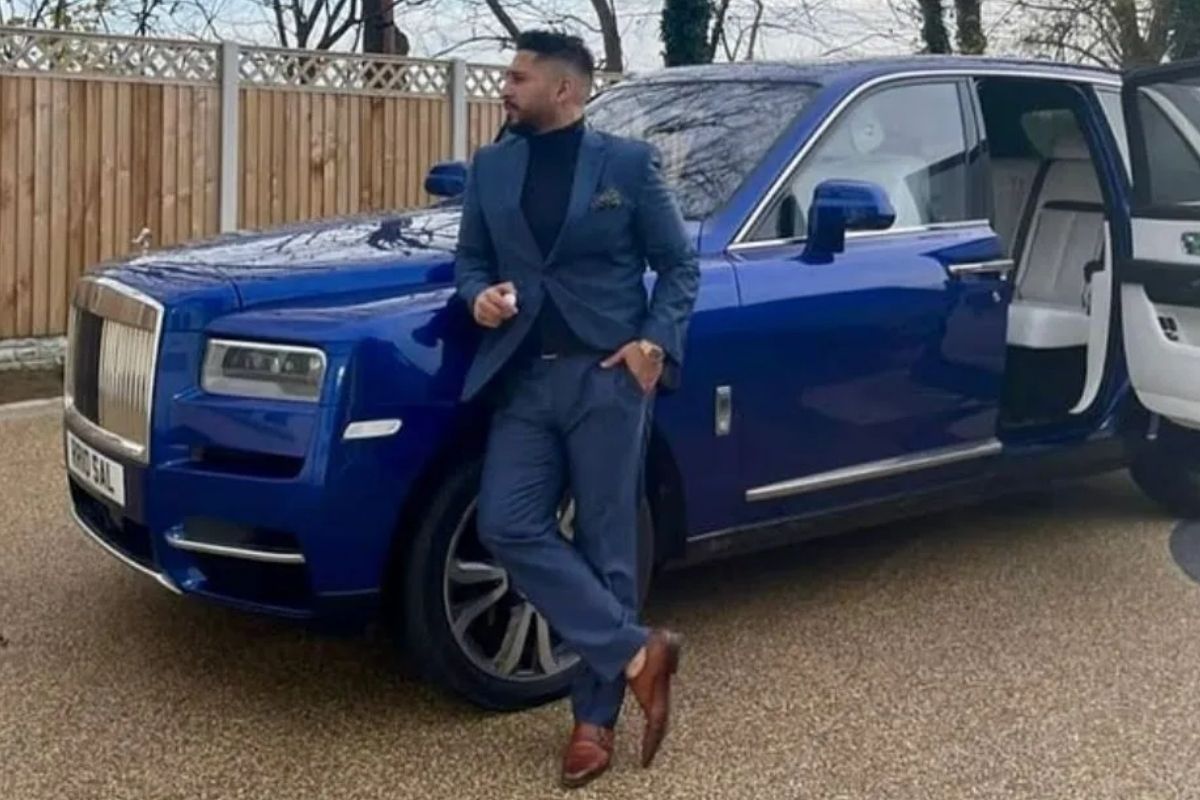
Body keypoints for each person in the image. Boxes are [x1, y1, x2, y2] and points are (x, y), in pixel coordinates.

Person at [453, 29, 701, 789]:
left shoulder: (625, 164)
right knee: (506, 522)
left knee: (607, 544)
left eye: (518, 78)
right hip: (524, 379)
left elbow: (678, 264)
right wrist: (479, 298)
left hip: (606, 381)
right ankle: (635, 652)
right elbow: (471, 260)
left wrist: (653, 345)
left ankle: (593, 724)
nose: (505, 87)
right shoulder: (491, 165)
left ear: (564, 89)